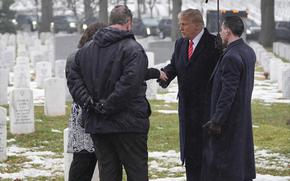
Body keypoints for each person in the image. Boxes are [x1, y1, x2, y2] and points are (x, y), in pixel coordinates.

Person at [67, 5, 165, 181]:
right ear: (129, 22)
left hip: (99, 123)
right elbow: (130, 85)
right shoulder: (133, 49)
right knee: (136, 172)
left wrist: (89, 103)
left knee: (109, 173)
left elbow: (74, 80)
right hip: (129, 124)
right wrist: (106, 106)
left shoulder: (86, 50)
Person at [158, 9, 221, 181]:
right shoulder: (181, 43)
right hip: (186, 110)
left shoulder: (215, 43)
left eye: (184, 24)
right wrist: (165, 75)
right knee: (190, 155)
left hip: (206, 110)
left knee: (206, 156)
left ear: (197, 25)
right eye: (180, 24)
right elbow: (175, 65)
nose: (181, 28)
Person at [202, 15, 256, 181]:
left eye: (221, 29)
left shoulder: (231, 57)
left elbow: (228, 93)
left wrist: (217, 120)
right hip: (242, 117)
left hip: (229, 122)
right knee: (238, 167)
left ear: (227, 31)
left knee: (226, 170)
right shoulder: (247, 51)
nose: (219, 33)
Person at [66, 22, 106, 181]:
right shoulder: (77, 57)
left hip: (92, 111)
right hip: (85, 112)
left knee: (83, 163)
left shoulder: (76, 55)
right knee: (83, 162)